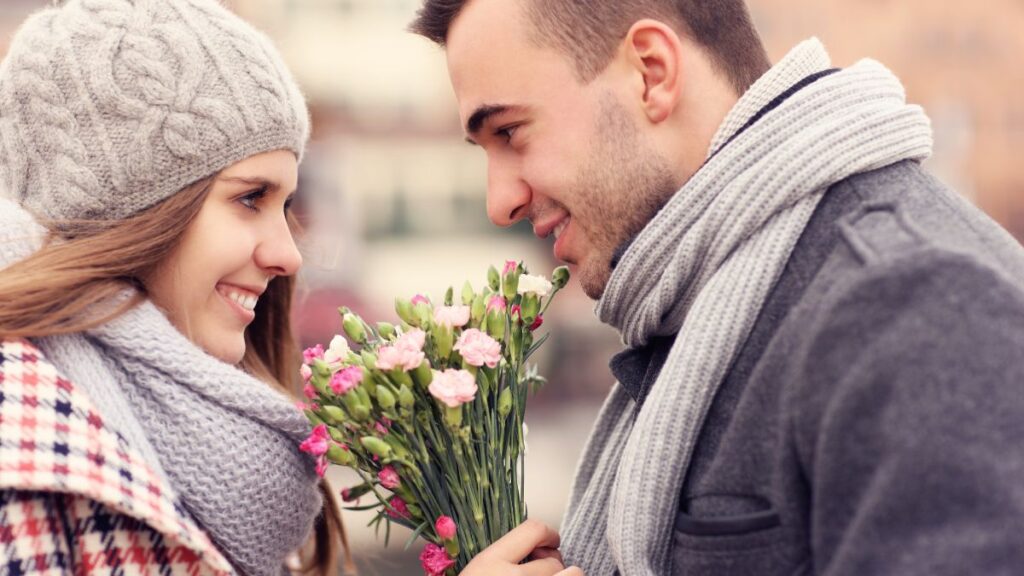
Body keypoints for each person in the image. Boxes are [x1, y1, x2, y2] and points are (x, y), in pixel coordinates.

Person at [410, 0, 1024, 575]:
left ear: (651, 74)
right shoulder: (691, 308)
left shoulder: (915, 308)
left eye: (510, 133)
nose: (500, 202)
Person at [0, 1, 352, 574]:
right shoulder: (26, 455)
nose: (288, 254)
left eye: (285, 204)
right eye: (249, 198)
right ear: (125, 207)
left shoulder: (201, 439)